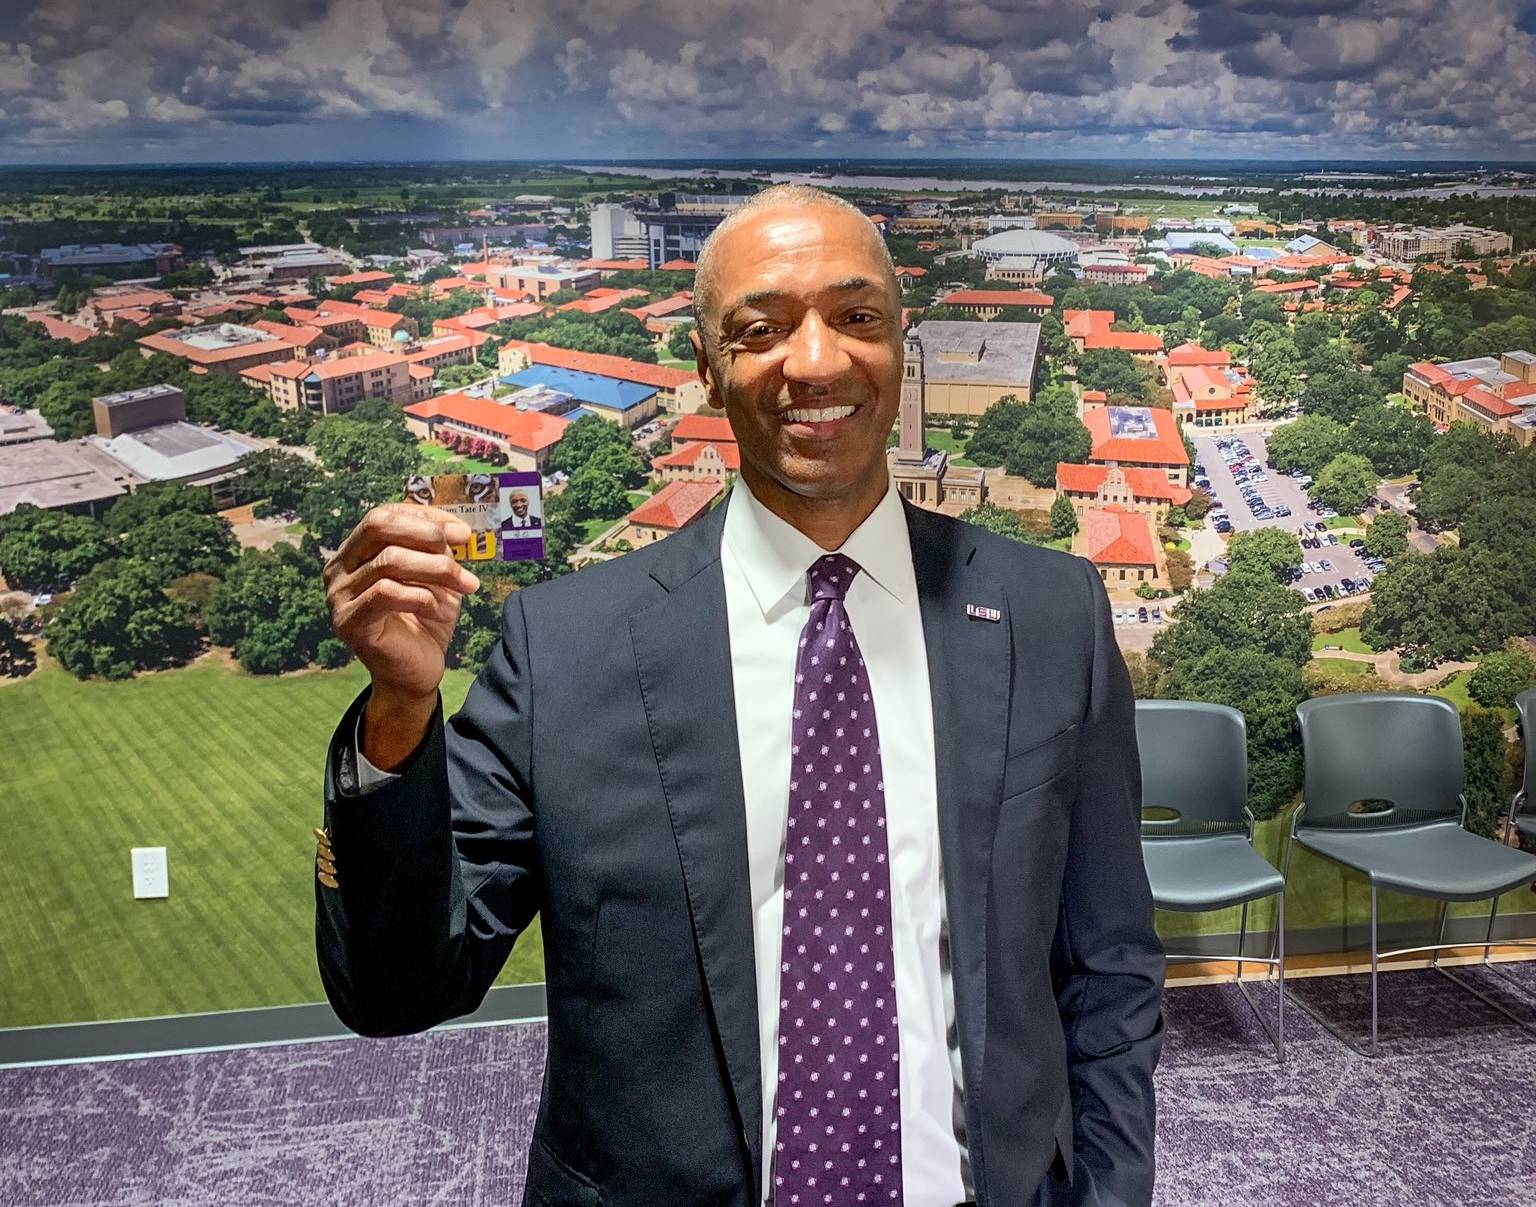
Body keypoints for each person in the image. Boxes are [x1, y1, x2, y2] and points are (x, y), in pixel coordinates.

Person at [317, 184, 1164, 1207]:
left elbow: (1109, 968)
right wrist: (401, 714)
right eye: (762, 329)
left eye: (857, 317)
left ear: (902, 340)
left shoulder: (1053, 616)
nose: (816, 362)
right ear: (708, 368)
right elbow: (399, 988)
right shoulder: (567, 650)